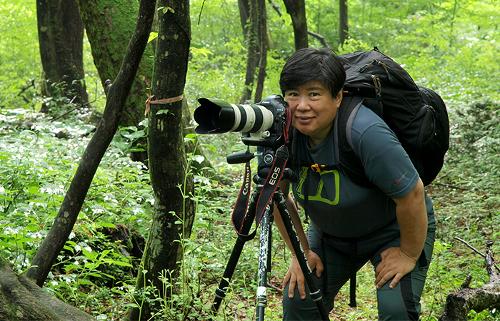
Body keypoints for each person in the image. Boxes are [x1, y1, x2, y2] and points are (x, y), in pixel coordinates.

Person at [272, 47, 436, 321]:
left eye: (314, 94)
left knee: (396, 312)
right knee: (298, 299)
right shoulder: (282, 131)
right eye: (293, 94)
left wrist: (408, 253)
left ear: (338, 97)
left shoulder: (364, 131)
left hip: (391, 229)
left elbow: (412, 194)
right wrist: (302, 252)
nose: (302, 106)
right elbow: (275, 197)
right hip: (331, 234)